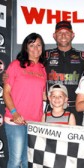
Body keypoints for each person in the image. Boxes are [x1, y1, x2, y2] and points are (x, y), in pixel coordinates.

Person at [3, 33, 47, 168]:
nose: (35, 48)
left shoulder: (42, 69)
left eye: (38, 45)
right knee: (16, 161)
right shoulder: (16, 65)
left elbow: (43, 96)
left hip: (34, 122)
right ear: (26, 48)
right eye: (32, 45)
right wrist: (15, 113)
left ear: (42, 48)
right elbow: (6, 93)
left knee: (29, 162)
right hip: (15, 120)